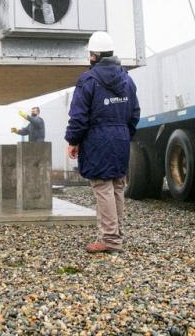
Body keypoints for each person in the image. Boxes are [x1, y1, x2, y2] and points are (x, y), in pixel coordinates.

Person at [64, 31, 140, 253]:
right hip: (121, 137)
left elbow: (78, 116)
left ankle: (109, 239)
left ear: (94, 55)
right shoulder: (127, 79)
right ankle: (116, 235)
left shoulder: (88, 80)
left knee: (102, 186)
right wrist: (125, 134)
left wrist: (73, 140)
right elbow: (134, 113)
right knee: (117, 185)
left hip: (98, 138)